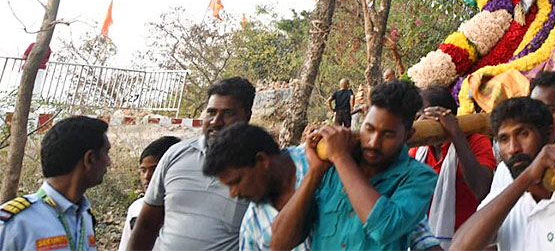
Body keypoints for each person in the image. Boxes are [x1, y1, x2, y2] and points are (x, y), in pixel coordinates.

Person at [203, 122, 440, 251]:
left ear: (261, 161)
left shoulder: (337, 160)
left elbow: (413, 230)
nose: (234, 193)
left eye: (236, 182)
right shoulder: (253, 227)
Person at [271, 79, 437, 250]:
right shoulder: (330, 167)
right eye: (369, 129)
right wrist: (315, 172)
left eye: (388, 135)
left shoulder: (419, 177)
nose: (373, 143)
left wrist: (342, 158)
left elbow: (384, 228)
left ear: (408, 136)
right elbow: (279, 244)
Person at [129, 76, 256, 250]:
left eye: (228, 113)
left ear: (247, 116)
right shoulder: (175, 155)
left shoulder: (260, 167)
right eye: (211, 112)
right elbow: (146, 225)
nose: (216, 122)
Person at [450, 97, 555, 251]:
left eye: (523, 134)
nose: (513, 148)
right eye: (504, 139)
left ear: (549, 134)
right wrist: (527, 177)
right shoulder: (505, 198)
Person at [0, 115, 110, 251]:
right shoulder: (15, 223)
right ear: (90, 159)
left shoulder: (84, 217)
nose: (109, 162)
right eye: (106, 152)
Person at [411, 86, 497, 244]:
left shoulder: (476, 141)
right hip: (428, 242)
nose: (416, 124)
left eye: (420, 117)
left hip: (471, 240)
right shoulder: (418, 151)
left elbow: (482, 189)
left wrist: (456, 134)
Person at [118, 135, 180, 251]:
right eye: (143, 170)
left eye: (154, 170)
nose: (147, 177)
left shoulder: (189, 210)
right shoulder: (136, 209)